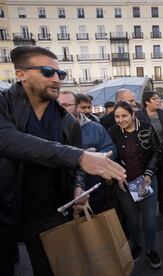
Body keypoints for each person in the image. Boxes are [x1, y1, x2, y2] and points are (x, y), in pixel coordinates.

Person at [0, 46, 126, 276]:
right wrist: (79, 157)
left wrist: (77, 187)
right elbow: (7, 139)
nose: (57, 79)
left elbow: (74, 166)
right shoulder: (3, 104)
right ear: (21, 74)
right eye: (48, 72)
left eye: (61, 74)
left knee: (51, 271)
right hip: (4, 210)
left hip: (49, 212)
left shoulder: (67, 122)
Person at [108, 101, 162, 268]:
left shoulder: (146, 127)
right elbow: (111, 157)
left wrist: (148, 173)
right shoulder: (112, 132)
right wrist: (118, 176)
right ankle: (137, 245)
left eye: (124, 115)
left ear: (132, 114)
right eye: (117, 116)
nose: (120, 120)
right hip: (124, 183)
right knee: (132, 220)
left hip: (146, 181)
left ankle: (151, 249)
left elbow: (157, 150)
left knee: (150, 220)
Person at [58, 91, 117, 213]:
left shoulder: (96, 127)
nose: (62, 109)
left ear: (77, 106)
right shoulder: (52, 128)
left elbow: (110, 149)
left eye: (67, 105)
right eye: (60, 105)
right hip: (63, 193)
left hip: (94, 190)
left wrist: (95, 157)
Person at [137, 90, 163, 218]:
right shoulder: (138, 115)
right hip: (146, 155)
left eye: (159, 98)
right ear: (147, 101)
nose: (159, 100)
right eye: (155, 98)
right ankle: (145, 210)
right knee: (144, 182)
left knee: (162, 183)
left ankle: (162, 206)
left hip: (162, 155)